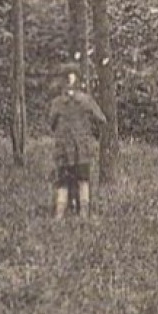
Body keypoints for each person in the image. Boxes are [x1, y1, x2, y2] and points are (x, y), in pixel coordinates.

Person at [46, 57, 106, 219]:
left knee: (63, 184)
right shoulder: (86, 101)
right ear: (78, 80)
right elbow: (101, 119)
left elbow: (51, 123)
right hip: (82, 149)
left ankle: (59, 216)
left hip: (63, 150)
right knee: (83, 181)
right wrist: (89, 130)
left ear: (62, 82)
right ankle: (84, 214)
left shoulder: (57, 103)